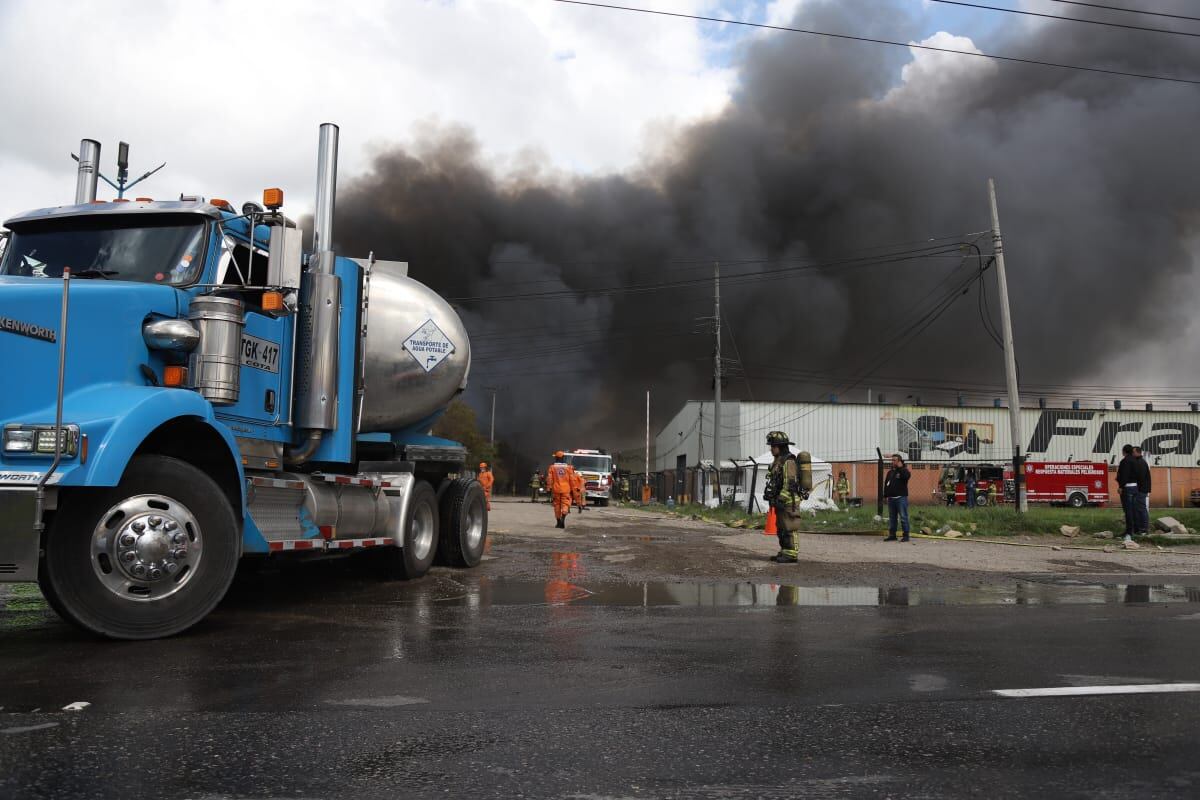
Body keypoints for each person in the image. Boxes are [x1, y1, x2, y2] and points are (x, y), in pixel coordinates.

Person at [763, 431, 804, 563]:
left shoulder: (789, 461)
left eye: (773, 446)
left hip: (789, 501)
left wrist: (781, 498)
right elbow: (775, 480)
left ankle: (792, 554)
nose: (771, 449)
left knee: (789, 527)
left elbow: (790, 483)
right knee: (781, 528)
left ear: (780, 447)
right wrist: (771, 495)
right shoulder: (778, 461)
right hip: (780, 500)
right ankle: (784, 551)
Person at [883, 453, 911, 542]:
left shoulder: (903, 471)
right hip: (891, 499)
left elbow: (906, 476)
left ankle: (906, 535)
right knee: (892, 518)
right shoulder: (890, 472)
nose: (892, 462)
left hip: (901, 498)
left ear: (899, 461)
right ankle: (892, 535)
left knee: (903, 517)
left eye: (894, 460)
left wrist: (901, 467)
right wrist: (886, 495)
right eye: (892, 460)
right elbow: (886, 484)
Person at [545, 452, 577, 529]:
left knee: (557, 505)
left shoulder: (552, 467)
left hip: (556, 489)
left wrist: (549, 488)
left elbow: (549, 479)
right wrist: (573, 490)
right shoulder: (569, 467)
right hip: (566, 489)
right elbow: (572, 480)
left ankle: (558, 521)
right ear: (563, 458)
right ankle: (563, 518)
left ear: (556, 458)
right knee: (565, 504)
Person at [1116, 444, 1139, 541]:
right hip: (1135, 487)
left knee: (1128, 511)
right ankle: (1136, 529)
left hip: (1127, 488)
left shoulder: (1125, 461)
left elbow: (1124, 475)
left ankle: (1129, 532)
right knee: (1134, 510)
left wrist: (1121, 486)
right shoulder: (1135, 460)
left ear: (1124, 451)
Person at [1133, 445, 1152, 536]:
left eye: (1133, 452)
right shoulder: (1140, 462)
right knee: (1139, 508)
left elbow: (1139, 477)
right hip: (1142, 489)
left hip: (1141, 489)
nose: (1132, 454)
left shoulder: (1140, 463)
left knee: (1141, 508)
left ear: (1137, 452)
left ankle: (1144, 529)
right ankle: (1141, 528)